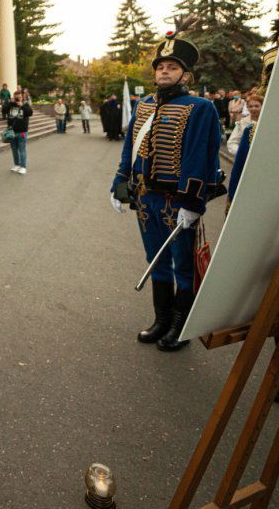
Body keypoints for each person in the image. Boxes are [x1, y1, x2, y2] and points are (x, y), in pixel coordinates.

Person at [110, 32, 222, 352]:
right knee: (154, 260)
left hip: (178, 202)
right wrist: (119, 187)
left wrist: (193, 202)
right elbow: (130, 148)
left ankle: (180, 326)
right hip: (146, 200)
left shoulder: (200, 108)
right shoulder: (143, 105)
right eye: (160, 67)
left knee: (182, 265)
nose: (164, 72)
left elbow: (201, 156)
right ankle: (161, 321)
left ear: (186, 75)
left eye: (172, 68)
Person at [226, 91, 263, 158]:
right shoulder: (242, 123)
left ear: (262, 106)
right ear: (247, 107)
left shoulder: (266, 121)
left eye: (256, 106)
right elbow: (231, 143)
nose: (253, 108)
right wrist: (243, 153)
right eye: (250, 106)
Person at [6, 90, 33, 174]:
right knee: (14, 149)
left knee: (22, 149)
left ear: (22, 97)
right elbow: (3, 111)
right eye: (16, 97)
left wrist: (22, 106)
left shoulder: (25, 104)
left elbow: (30, 113)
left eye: (19, 97)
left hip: (22, 131)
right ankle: (17, 165)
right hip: (12, 131)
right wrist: (9, 103)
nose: (18, 99)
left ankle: (23, 166)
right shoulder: (11, 104)